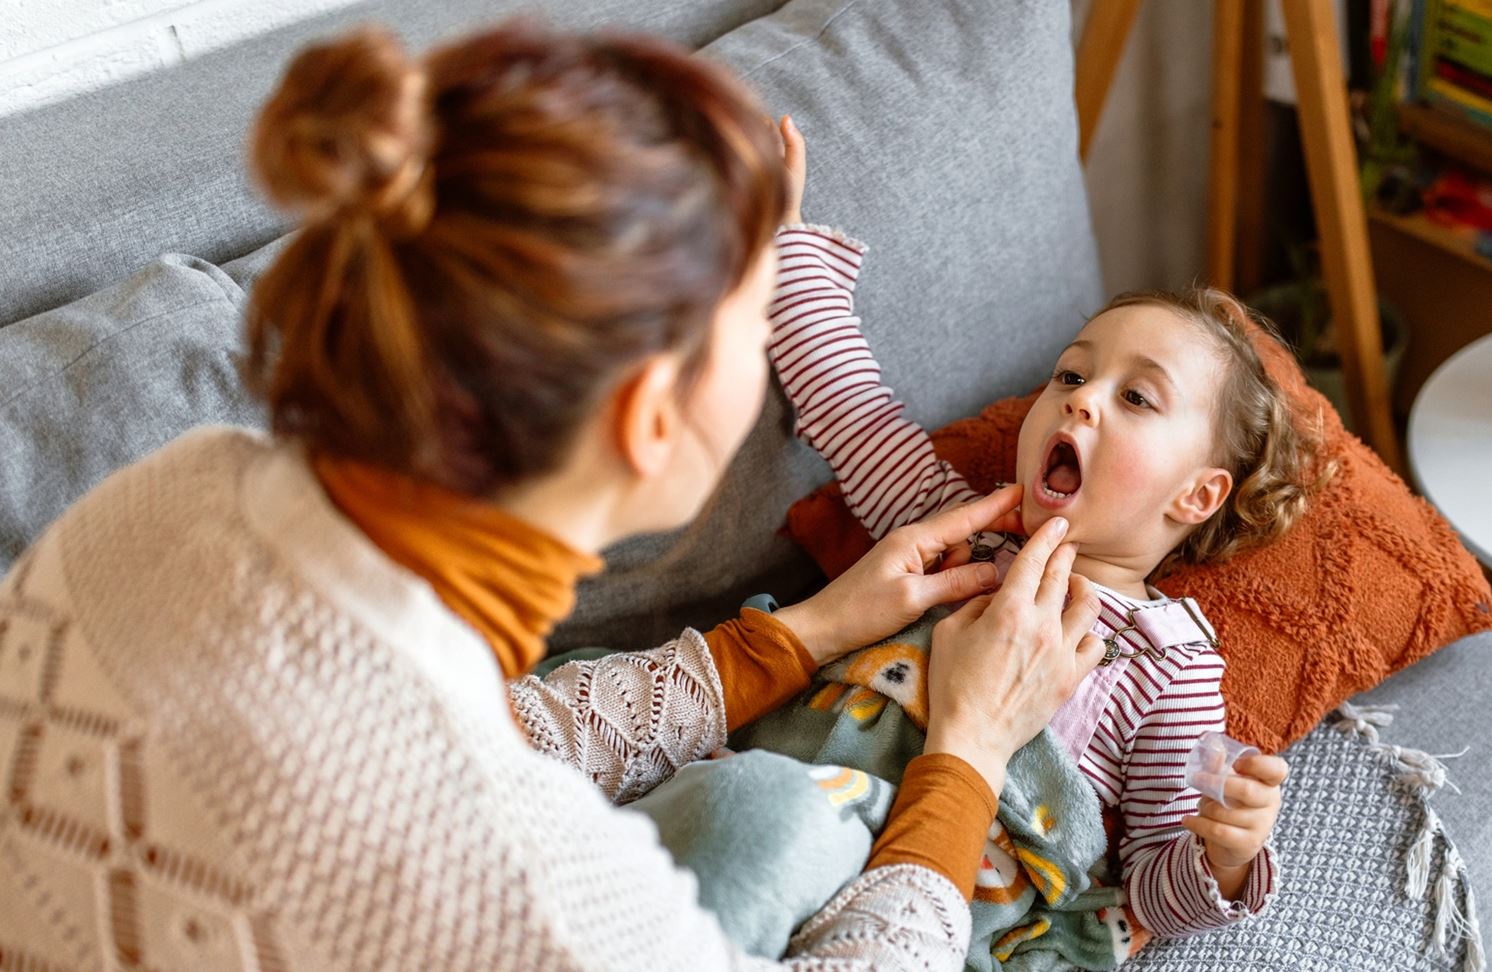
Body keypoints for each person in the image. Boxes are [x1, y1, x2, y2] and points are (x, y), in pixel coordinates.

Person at [0, 22, 1109, 971]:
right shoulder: (533, 890)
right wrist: (963, 755)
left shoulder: (178, 494)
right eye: (761, 303)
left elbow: (456, 732)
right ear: (649, 417)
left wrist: (801, 636)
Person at [734, 120, 1304, 949]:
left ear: (1198, 494)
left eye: (1137, 398)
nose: (1081, 398)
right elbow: (849, 405)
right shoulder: (955, 524)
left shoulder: (1168, 665)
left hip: (940, 905)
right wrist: (783, 246)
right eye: (1072, 373)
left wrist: (1224, 854)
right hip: (786, 801)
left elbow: (1144, 891)